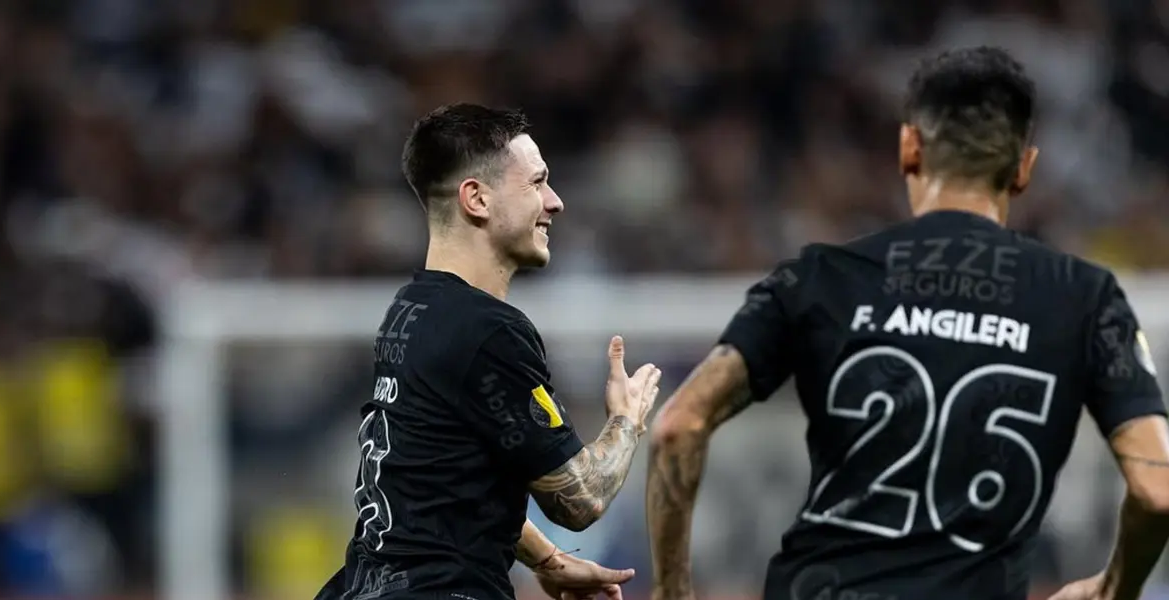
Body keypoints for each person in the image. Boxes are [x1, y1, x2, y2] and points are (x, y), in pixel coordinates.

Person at [645, 46, 1169, 600]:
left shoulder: (822, 276)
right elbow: (1157, 490)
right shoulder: (1084, 297)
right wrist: (1114, 588)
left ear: (909, 147)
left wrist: (670, 592)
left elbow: (678, 425)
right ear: (1023, 169)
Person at [316, 104, 662, 600]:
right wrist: (626, 420)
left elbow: (451, 483)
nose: (555, 202)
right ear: (476, 199)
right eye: (537, 183)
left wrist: (548, 559)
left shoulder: (410, 310)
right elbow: (580, 498)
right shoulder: (489, 331)